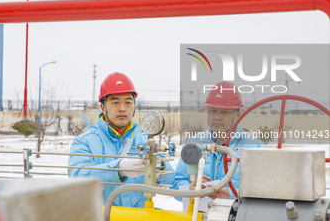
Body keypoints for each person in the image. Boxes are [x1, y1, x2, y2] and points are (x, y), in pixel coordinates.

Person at [68, 72, 174, 208]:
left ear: (134, 106)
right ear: (103, 107)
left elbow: (170, 181)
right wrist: (117, 169)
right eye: (115, 102)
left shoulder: (144, 139)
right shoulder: (84, 141)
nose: (122, 108)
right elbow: (77, 182)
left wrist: (160, 165)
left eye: (128, 102)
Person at [173, 81, 265, 200]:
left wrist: (230, 194)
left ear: (238, 114)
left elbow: (263, 191)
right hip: (198, 215)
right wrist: (192, 188)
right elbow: (176, 185)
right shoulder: (194, 143)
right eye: (213, 110)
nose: (217, 116)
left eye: (225, 112)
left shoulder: (254, 147)